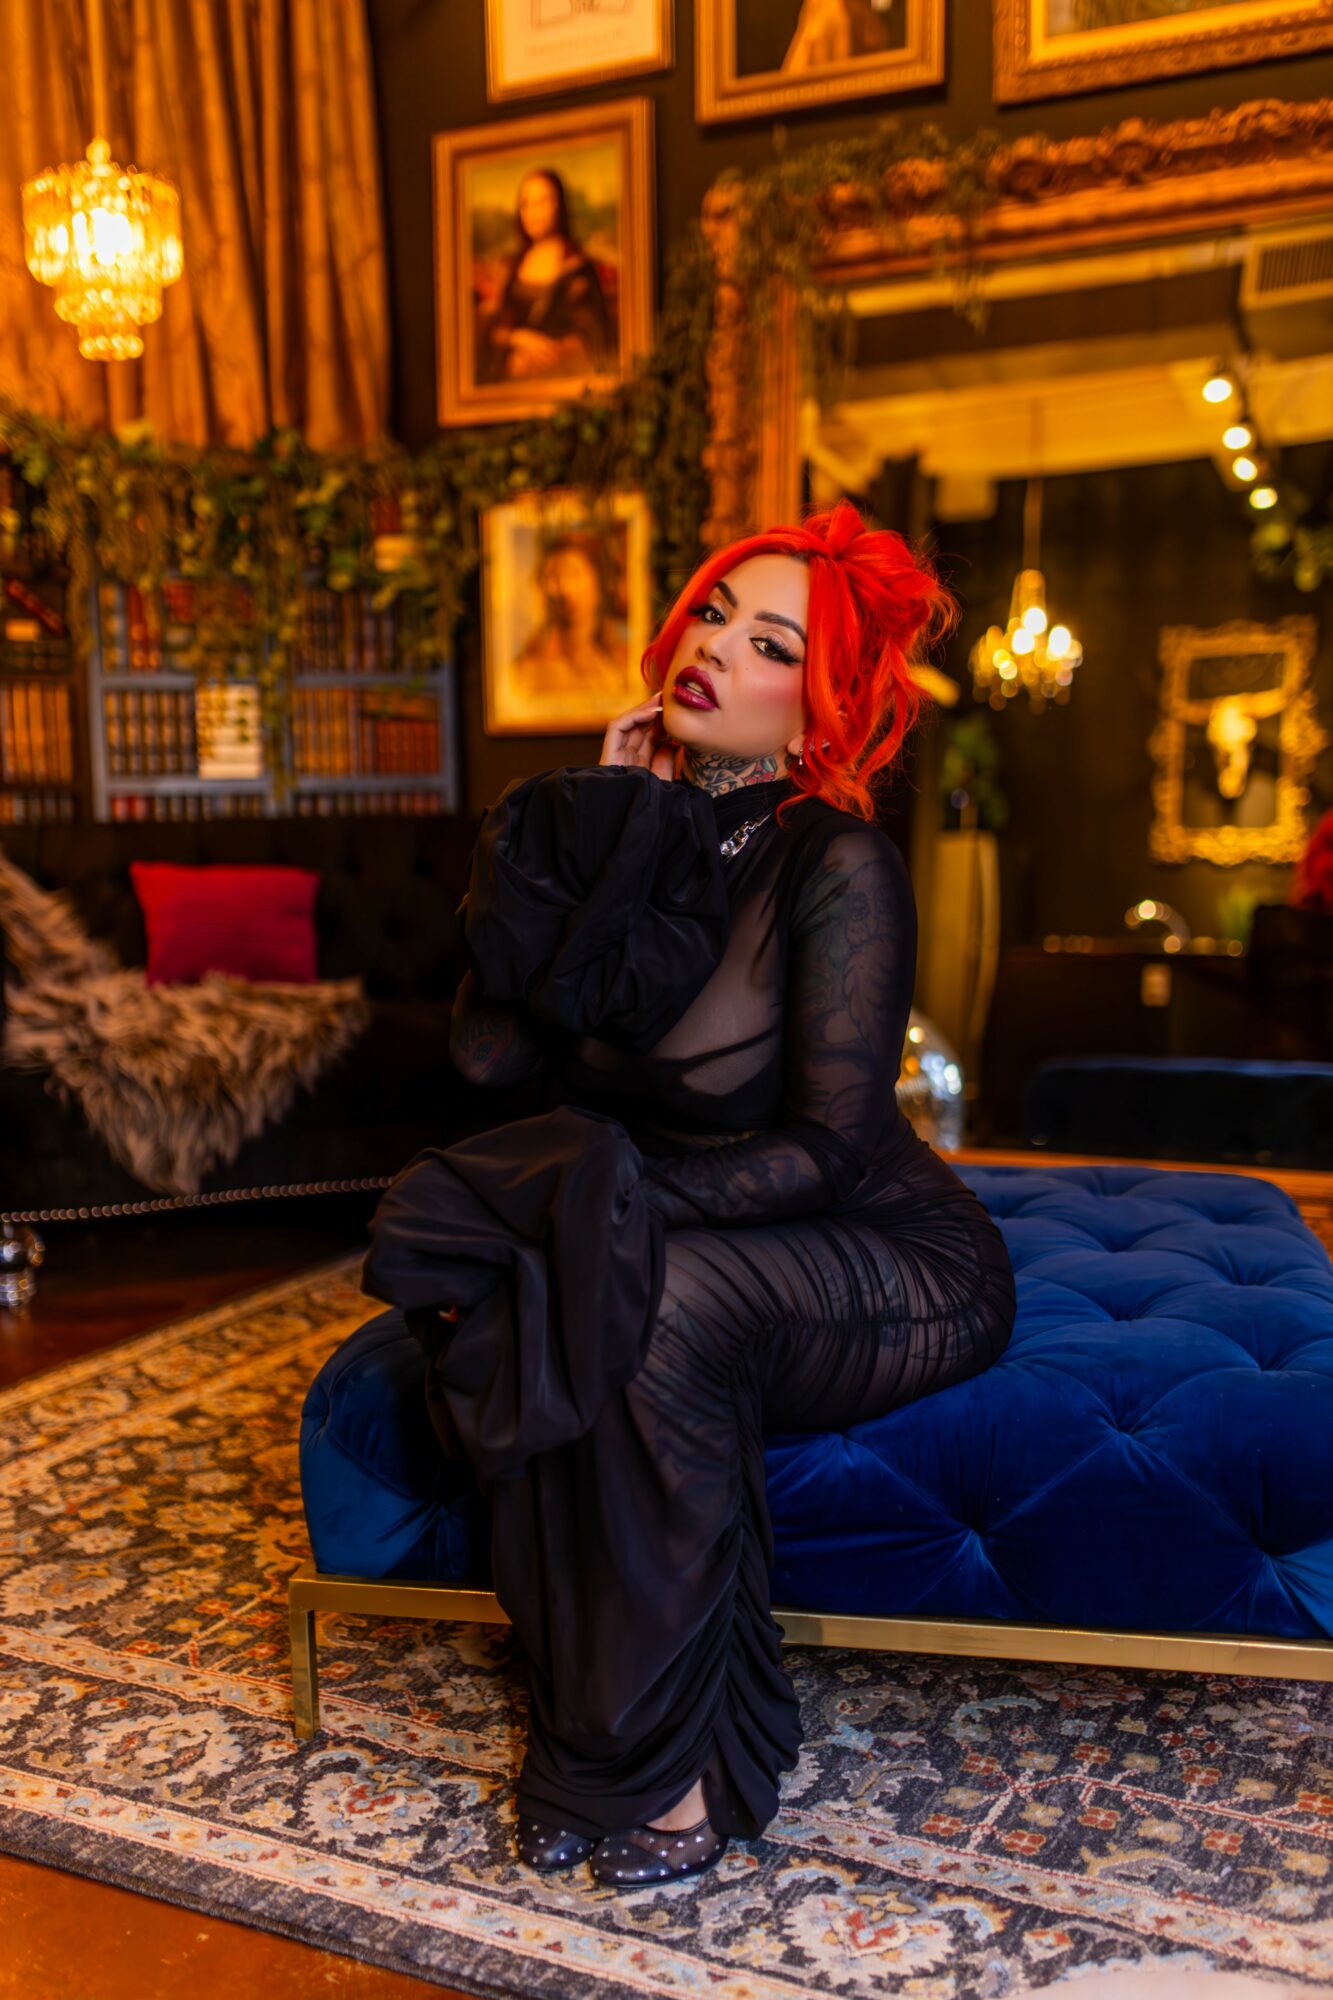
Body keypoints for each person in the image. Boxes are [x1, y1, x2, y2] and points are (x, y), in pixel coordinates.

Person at [365, 500, 1018, 1890]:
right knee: (569, 1285)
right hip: (705, 1216)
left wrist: (612, 1215)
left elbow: (828, 1148)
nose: (715, 647)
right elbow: (488, 1057)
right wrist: (608, 832)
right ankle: (599, 1743)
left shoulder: (836, 860)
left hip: (886, 1250)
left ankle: (676, 1769)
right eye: (713, 613)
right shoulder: (615, 827)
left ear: (821, 705)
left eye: (771, 642)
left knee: (635, 1293)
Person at [477, 167, 614, 387]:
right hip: (511, 378)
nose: (533, 212)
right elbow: (495, 328)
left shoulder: (578, 268)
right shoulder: (513, 267)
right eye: (526, 204)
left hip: (562, 375)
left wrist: (554, 351)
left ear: (559, 205)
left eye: (542, 202)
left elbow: (595, 334)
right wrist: (519, 338)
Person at [507, 531, 630, 710]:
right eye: (554, 576)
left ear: (599, 583)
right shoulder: (531, 670)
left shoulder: (619, 663)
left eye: (574, 574)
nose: (565, 589)